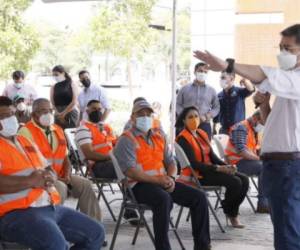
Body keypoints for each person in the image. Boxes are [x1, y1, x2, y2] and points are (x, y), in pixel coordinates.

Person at [193, 23, 300, 250]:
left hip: (289, 165)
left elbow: (264, 73)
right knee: (284, 227)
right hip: (279, 164)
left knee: (289, 232)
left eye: (288, 49)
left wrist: (228, 65)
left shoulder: (296, 79)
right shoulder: (290, 83)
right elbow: (277, 125)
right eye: (280, 47)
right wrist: (264, 106)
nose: (282, 54)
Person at [0, 96, 104, 250]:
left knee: (96, 233)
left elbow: (47, 166)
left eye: (11, 114)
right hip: (17, 213)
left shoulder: (24, 140)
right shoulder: (24, 133)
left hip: (49, 206)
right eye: (3, 116)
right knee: (56, 245)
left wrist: (52, 175)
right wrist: (30, 181)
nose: (10, 119)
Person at [114, 100, 211, 250]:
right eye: (140, 114)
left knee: (199, 197)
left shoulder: (159, 136)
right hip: (137, 186)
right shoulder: (126, 139)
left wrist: (171, 178)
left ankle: (202, 246)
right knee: (163, 199)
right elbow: (130, 171)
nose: (145, 117)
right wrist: (158, 181)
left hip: (162, 182)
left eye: (148, 114)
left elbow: (171, 162)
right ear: (132, 117)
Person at [18, 98, 102, 223]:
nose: (48, 114)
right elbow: (30, 164)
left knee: (86, 184)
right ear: (34, 114)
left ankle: (94, 226)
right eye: (43, 111)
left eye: (50, 110)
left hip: (61, 175)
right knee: (60, 188)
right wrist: (55, 178)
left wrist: (67, 174)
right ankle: (57, 229)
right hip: (40, 178)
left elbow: (65, 157)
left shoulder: (57, 129)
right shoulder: (25, 132)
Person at [176, 106, 249, 228]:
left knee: (244, 180)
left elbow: (213, 156)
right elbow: (194, 164)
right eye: (190, 117)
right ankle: (231, 213)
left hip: (211, 170)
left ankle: (227, 206)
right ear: (184, 121)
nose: (194, 119)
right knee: (235, 182)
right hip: (198, 175)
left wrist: (227, 166)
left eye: (196, 116)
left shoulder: (202, 133)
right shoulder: (183, 138)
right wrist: (219, 169)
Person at [76, 99, 141, 226]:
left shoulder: (106, 127)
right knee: (128, 168)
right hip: (97, 167)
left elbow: (117, 144)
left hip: (112, 162)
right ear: (87, 111)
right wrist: (111, 158)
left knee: (136, 165)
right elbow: (88, 154)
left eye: (99, 109)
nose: (98, 111)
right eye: (94, 109)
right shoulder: (83, 129)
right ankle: (130, 207)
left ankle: (132, 205)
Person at [225, 111, 269, 213]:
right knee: (264, 168)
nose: (262, 126)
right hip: (236, 164)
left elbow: (253, 149)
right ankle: (263, 204)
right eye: (262, 123)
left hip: (244, 162)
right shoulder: (241, 127)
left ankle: (267, 201)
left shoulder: (252, 129)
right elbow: (242, 151)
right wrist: (259, 159)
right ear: (255, 118)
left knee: (268, 166)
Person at [176, 62, 220, 139]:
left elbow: (216, 107)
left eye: (205, 72)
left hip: (204, 124)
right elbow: (177, 104)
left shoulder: (211, 90)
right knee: (185, 148)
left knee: (205, 149)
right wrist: (184, 116)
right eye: (200, 71)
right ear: (194, 72)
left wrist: (207, 116)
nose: (203, 73)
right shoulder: (184, 89)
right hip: (187, 125)